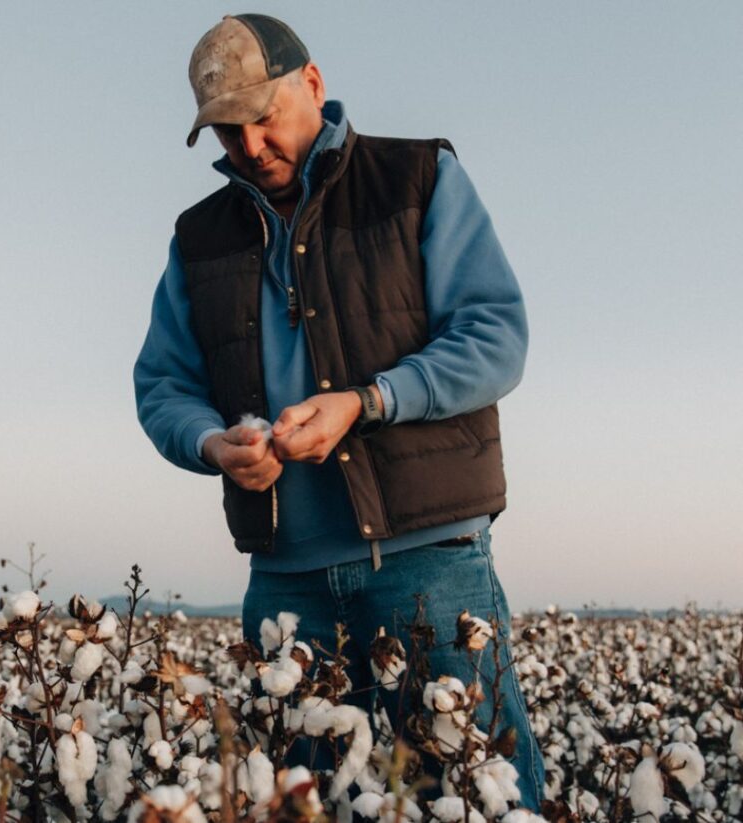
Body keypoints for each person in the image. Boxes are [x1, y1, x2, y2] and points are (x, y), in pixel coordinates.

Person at [134, 14, 544, 808]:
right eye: (227, 131)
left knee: (476, 796)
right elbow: (162, 386)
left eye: (264, 116)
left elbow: (496, 336)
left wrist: (366, 401)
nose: (249, 146)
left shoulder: (417, 177)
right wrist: (213, 442)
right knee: (308, 801)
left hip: (430, 563)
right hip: (284, 581)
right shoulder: (199, 239)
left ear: (313, 86)